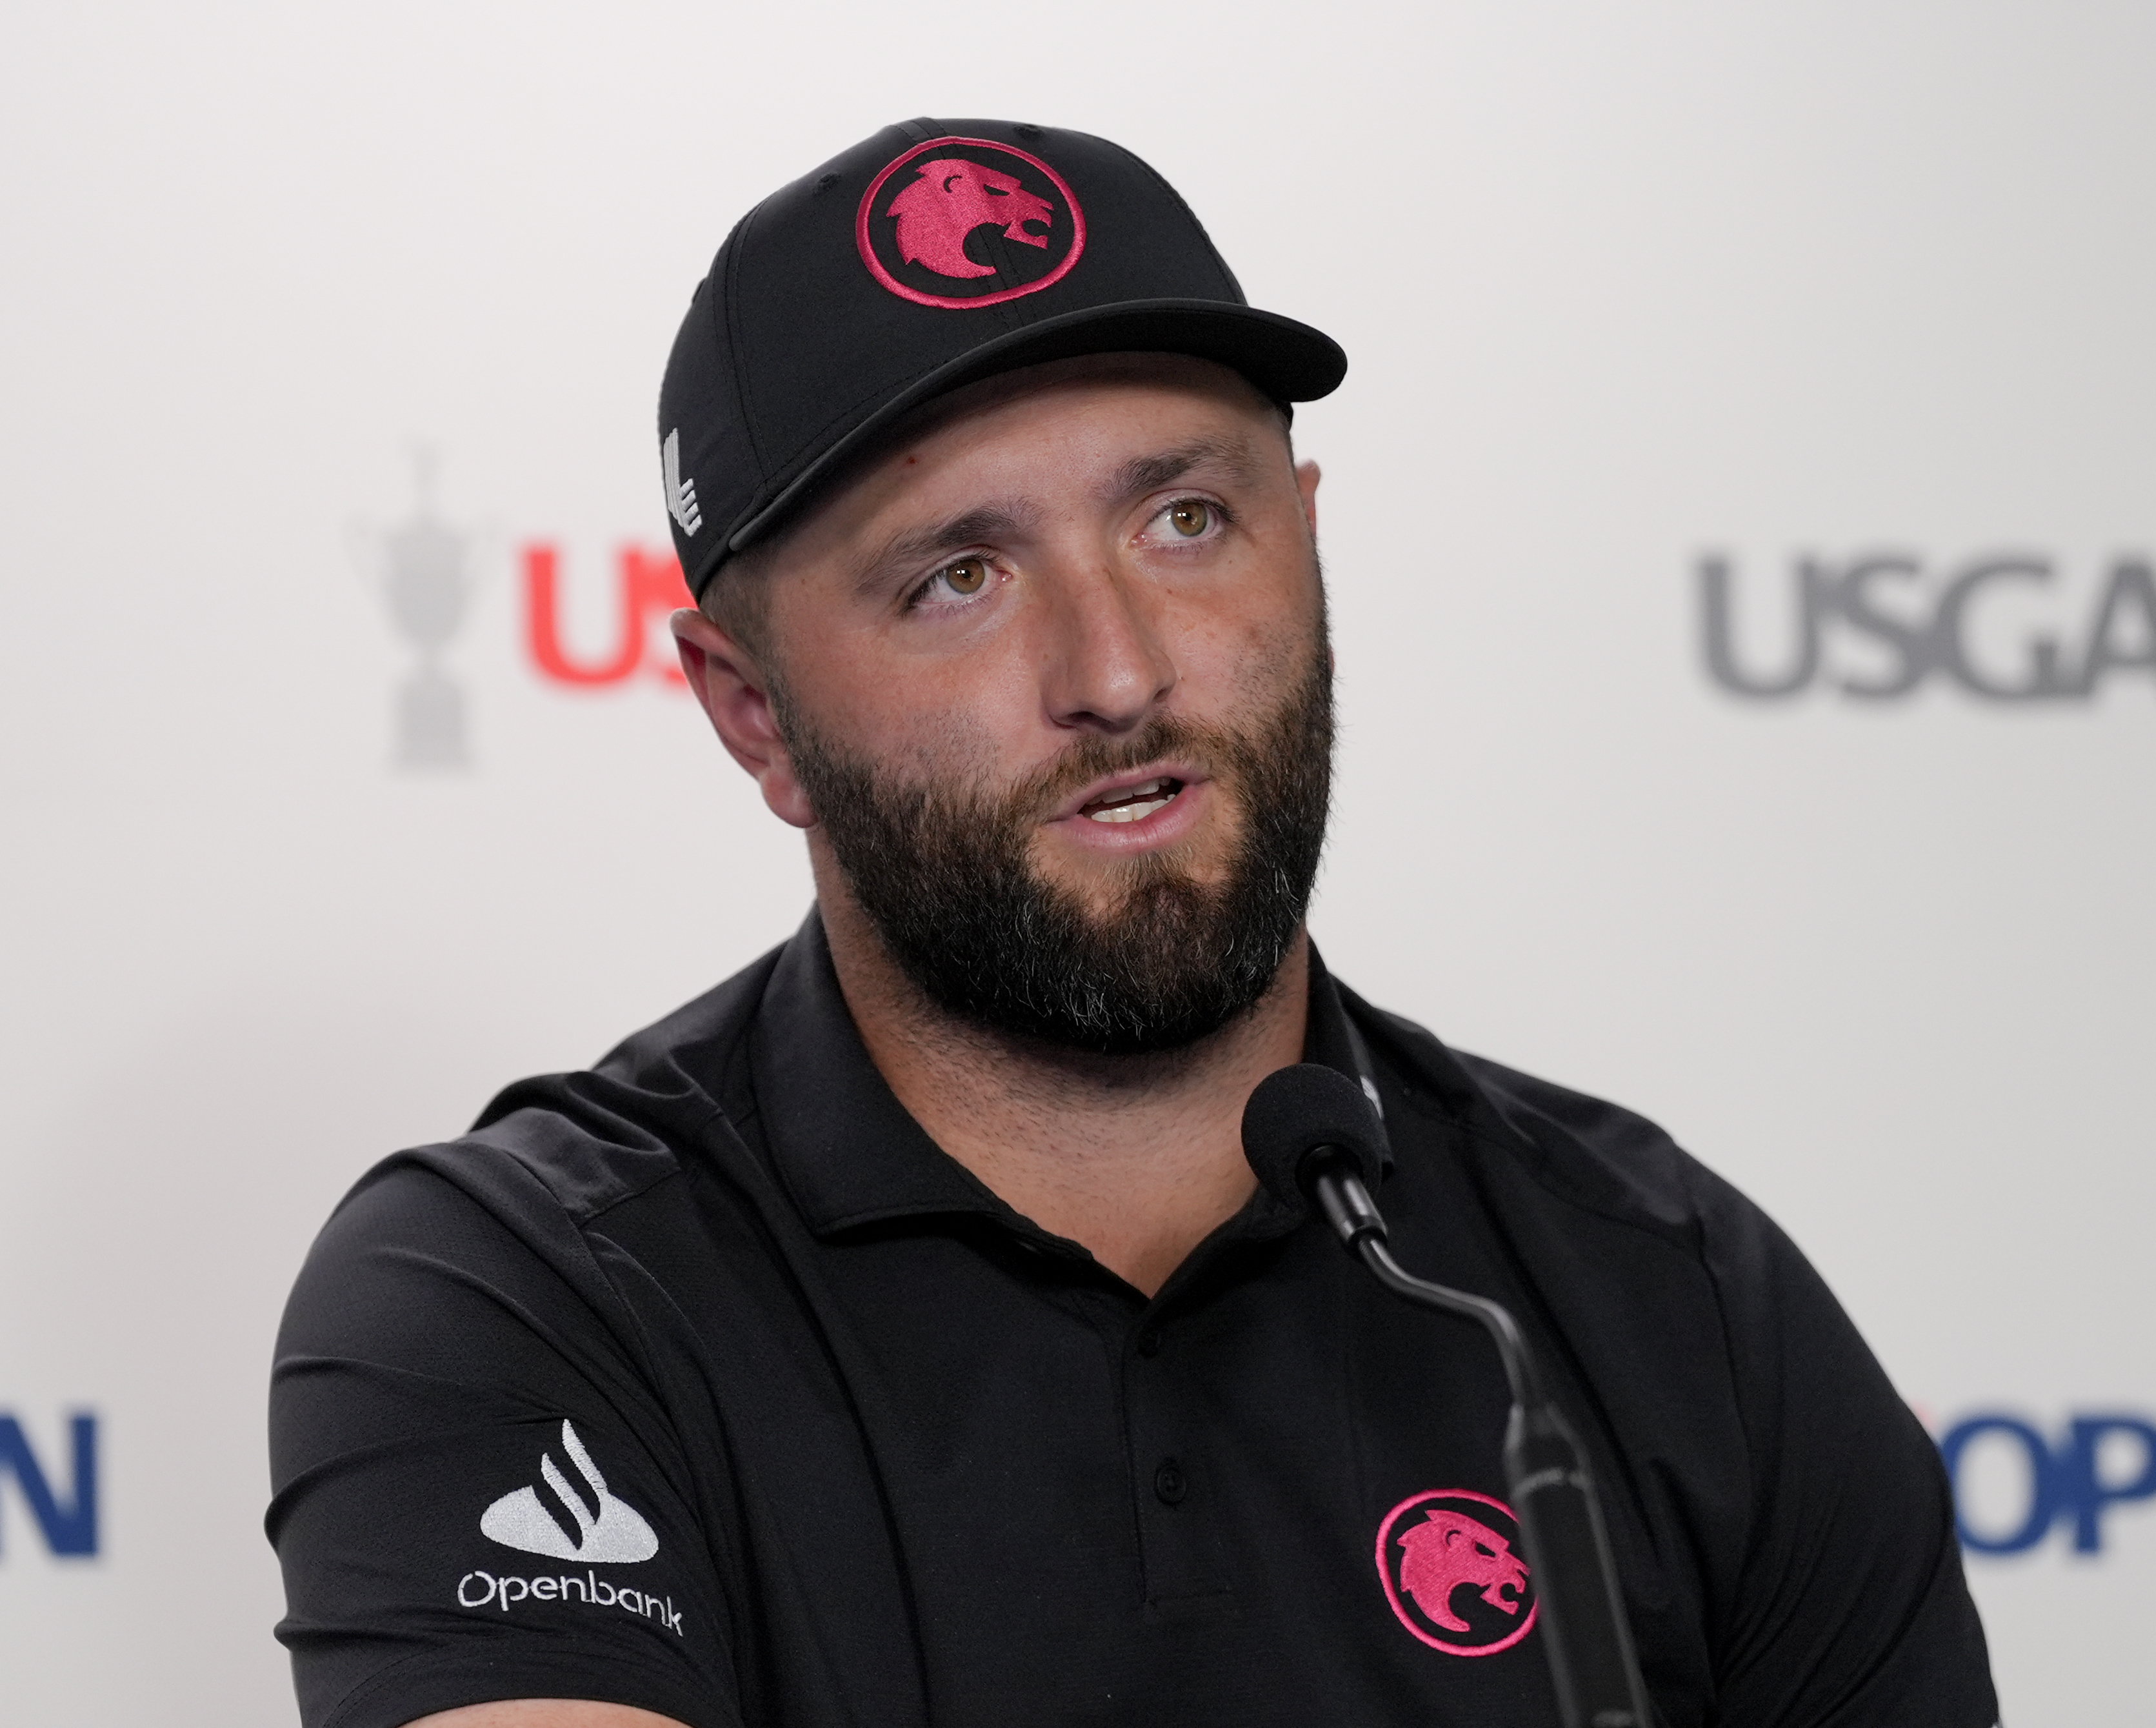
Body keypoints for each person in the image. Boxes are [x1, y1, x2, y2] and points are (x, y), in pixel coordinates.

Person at [267, 118, 1999, 1728]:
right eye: (959, 574)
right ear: (752, 712)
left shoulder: (1672, 1305)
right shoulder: (528, 1290)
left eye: (1186, 520)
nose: (1117, 674)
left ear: (1304, 547)